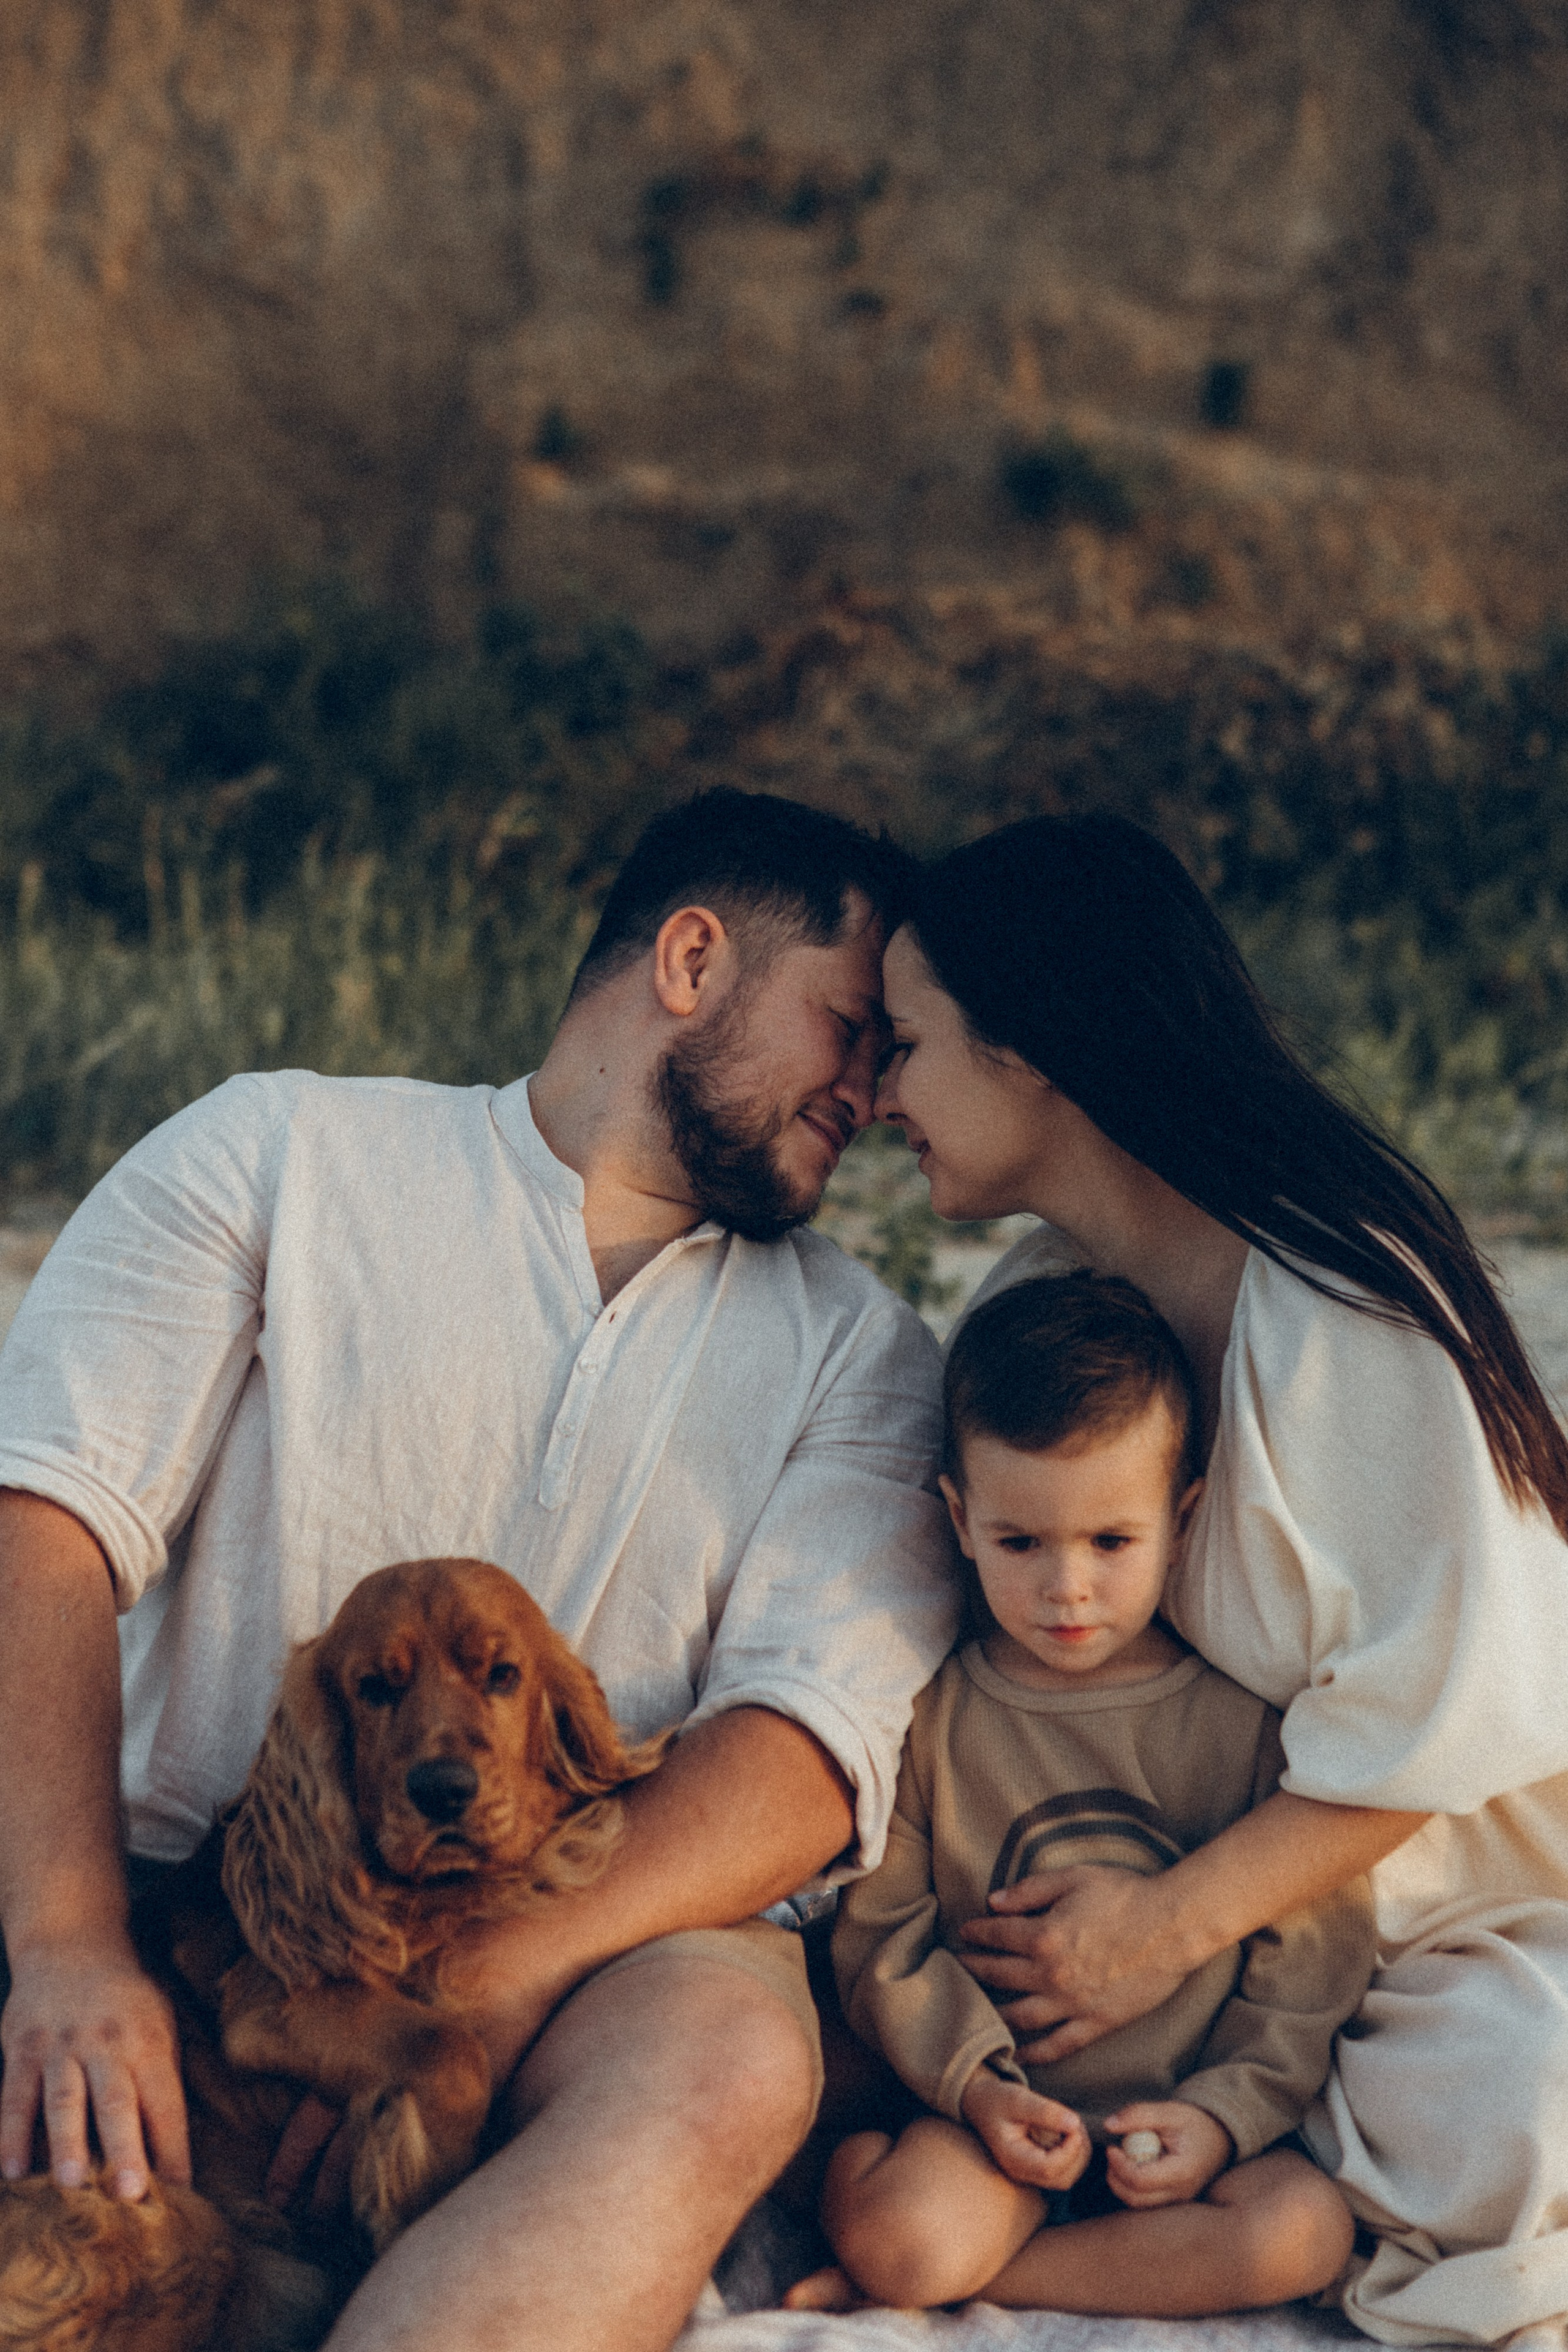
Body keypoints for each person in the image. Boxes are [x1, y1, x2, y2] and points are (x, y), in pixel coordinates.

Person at [0, 787, 959, 2352]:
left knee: (733, 2050)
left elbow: (802, 1749)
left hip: (599, 1940)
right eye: (847, 1024)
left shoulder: (858, 1346)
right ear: (691, 959)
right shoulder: (282, 1151)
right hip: (193, 1920)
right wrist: (66, 1950)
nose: (871, 1085)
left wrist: (478, 1988)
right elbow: (42, 1519)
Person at [872, 809, 1568, 2350]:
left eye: (905, 1043)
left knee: (1519, 2097)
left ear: (1029, 1046)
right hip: (1188, 1910)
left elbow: (1439, 1733)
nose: (875, 1095)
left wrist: (1156, 1934)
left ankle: (1099, 2235)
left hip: (1443, 1922)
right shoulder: (1055, 1306)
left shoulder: (1338, 1299)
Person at [789, 1270, 1372, 2318]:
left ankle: (996, 2283)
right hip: (995, 2135)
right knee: (910, 2238)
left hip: (1180, 2136)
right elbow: (885, 1938)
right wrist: (979, 2088)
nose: (1068, 1586)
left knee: (1305, 2233)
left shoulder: (1245, 1728)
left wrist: (1224, 2117)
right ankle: (916, 2253)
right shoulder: (934, 1718)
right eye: (1021, 1543)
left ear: (1182, 1517)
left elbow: (1310, 1965)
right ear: (960, 1520)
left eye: (1112, 1542)